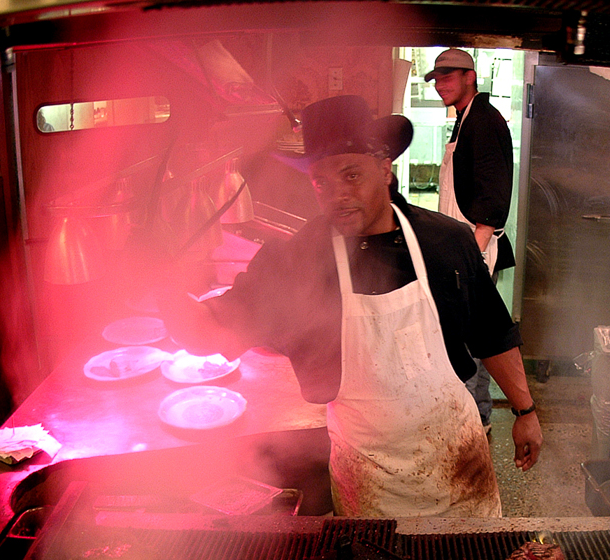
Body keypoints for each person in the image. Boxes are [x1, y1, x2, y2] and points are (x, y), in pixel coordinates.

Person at [162, 94, 542, 518]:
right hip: (370, 480)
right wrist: (158, 289)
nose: (337, 195)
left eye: (351, 175)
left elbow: (492, 330)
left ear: (384, 170)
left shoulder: (446, 242)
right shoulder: (298, 261)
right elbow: (213, 330)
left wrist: (525, 410)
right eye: (322, 182)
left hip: (458, 466)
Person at [425, 48, 516, 435]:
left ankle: (472, 423)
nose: (441, 85)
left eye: (449, 77)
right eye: (437, 79)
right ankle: (475, 420)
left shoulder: (484, 121)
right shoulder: (465, 118)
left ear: (470, 76)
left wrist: (468, 258)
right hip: (465, 249)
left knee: (469, 345)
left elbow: (493, 204)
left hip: (475, 250)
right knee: (472, 343)